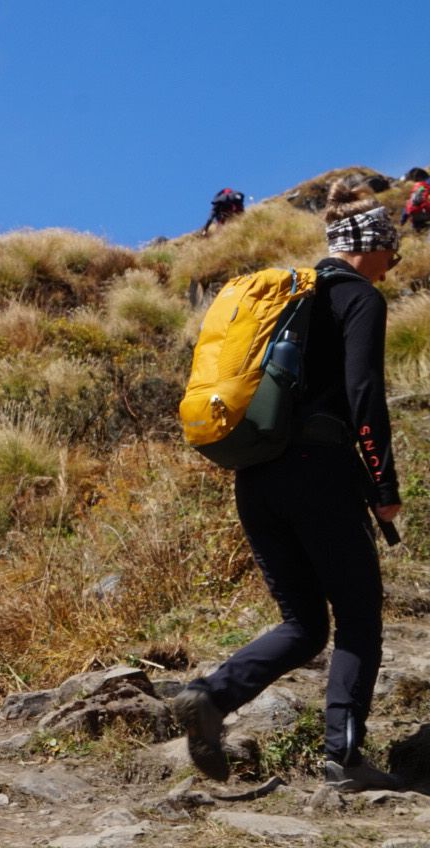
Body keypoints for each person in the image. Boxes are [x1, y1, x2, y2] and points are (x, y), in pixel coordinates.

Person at [171, 180, 404, 792]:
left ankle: (212, 697)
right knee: (357, 618)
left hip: (257, 475)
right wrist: (384, 485)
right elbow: (364, 398)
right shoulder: (358, 298)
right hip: (319, 474)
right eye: (392, 253)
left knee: (304, 623)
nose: (393, 267)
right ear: (370, 247)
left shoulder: (290, 299)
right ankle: (345, 759)